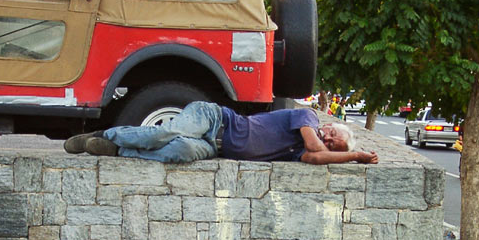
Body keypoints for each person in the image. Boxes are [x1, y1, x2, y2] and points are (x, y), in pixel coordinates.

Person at [63, 101, 378, 165]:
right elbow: (315, 146)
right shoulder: (306, 116)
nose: (328, 140)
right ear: (329, 125)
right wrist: (355, 155)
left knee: (179, 153)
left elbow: (312, 156)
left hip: (215, 148)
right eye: (333, 135)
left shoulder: (302, 151)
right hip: (214, 119)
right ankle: (109, 133)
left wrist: (351, 157)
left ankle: (117, 150)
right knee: (161, 136)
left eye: (333, 144)